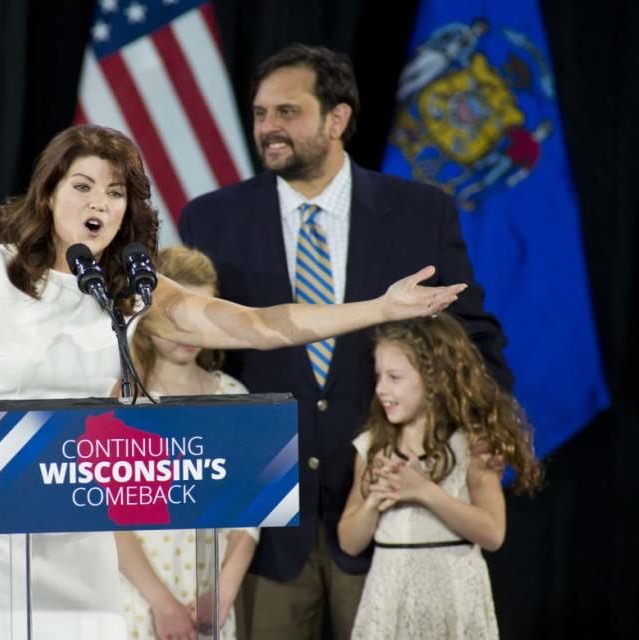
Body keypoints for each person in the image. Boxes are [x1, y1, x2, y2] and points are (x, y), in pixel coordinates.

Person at [0, 124, 464, 640]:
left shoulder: (132, 290)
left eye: (116, 192)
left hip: (79, 501)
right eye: (83, 185)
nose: (100, 202)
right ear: (49, 193)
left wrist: (376, 307)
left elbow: (260, 326)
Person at [178, 43, 512, 639]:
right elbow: (196, 351)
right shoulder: (212, 219)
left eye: (288, 112)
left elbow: (473, 335)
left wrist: (487, 424)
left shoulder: (419, 213)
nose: (268, 128)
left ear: (338, 118)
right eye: (259, 114)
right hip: (261, 531)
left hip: (386, 517)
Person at [337, 313, 541, 639]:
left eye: (394, 377)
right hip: (391, 598)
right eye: (378, 376)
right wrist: (373, 500)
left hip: (453, 595)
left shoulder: (473, 446)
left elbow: (492, 533)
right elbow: (349, 541)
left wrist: (424, 492)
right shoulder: (375, 448)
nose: (381, 389)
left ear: (434, 379)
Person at [117, 246, 258, 640]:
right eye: (179, 313)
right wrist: (162, 604)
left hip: (209, 603)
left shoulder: (235, 397)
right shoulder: (122, 401)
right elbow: (109, 521)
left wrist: (223, 591)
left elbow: (251, 516)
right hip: (136, 602)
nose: (192, 329)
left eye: (205, 313)